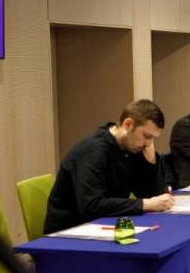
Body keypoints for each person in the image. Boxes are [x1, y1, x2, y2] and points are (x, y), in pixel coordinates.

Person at [44, 99, 173, 233]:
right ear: (128, 124)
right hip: (68, 231)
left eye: (153, 138)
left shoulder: (132, 147)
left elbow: (152, 196)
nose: (149, 144)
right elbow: (92, 206)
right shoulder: (93, 151)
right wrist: (145, 204)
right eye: (147, 136)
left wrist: (151, 162)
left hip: (104, 224)